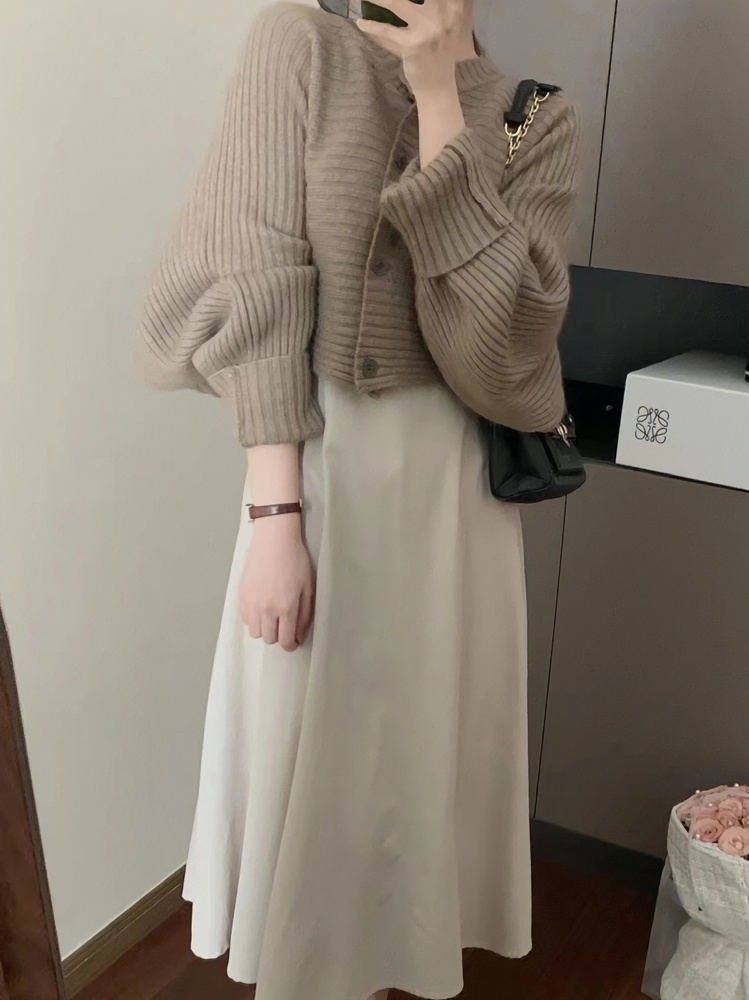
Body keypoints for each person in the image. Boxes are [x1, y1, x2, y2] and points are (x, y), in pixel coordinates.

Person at [137, 1, 580, 998]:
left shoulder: (530, 118)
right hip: (320, 472)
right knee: (310, 757)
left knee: (415, 770)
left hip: (456, 501)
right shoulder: (300, 43)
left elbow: (497, 351)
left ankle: (388, 974)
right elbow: (256, 275)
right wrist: (274, 518)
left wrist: (438, 97)